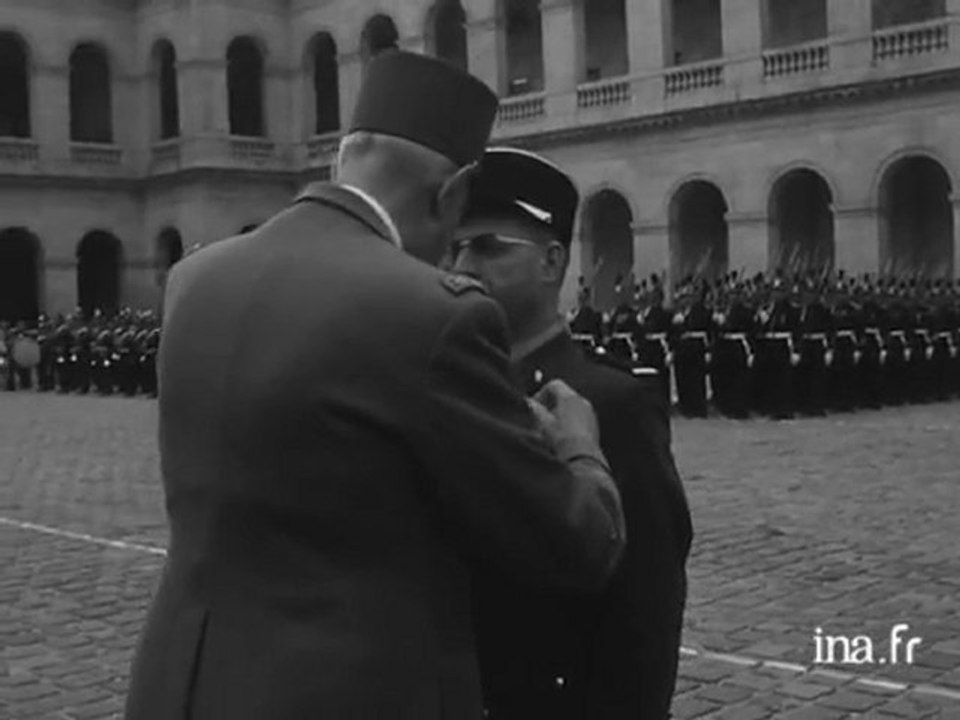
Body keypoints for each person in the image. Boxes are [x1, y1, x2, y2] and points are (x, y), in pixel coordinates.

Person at [124, 51, 626, 720]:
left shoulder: (196, 279)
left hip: (184, 682)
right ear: (450, 195)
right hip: (342, 693)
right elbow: (576, 543)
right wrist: (580, 446)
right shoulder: (433, 314)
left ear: (342, 160)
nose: (453, 250)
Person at [451, 147, 692, 720]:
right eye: (454, 247)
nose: (461, 267)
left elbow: (646, 612)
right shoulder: (452, 391)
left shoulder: (610, 404)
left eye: (488, 248)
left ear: (552, 261)